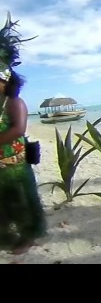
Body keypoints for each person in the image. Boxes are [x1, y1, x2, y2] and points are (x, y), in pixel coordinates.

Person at [0, 14, 47, 253]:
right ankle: (7, 235)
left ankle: (29, 235)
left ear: (6, 81)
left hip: (15, 164)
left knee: (21, 201)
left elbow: (18, 129)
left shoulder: (13, 102)